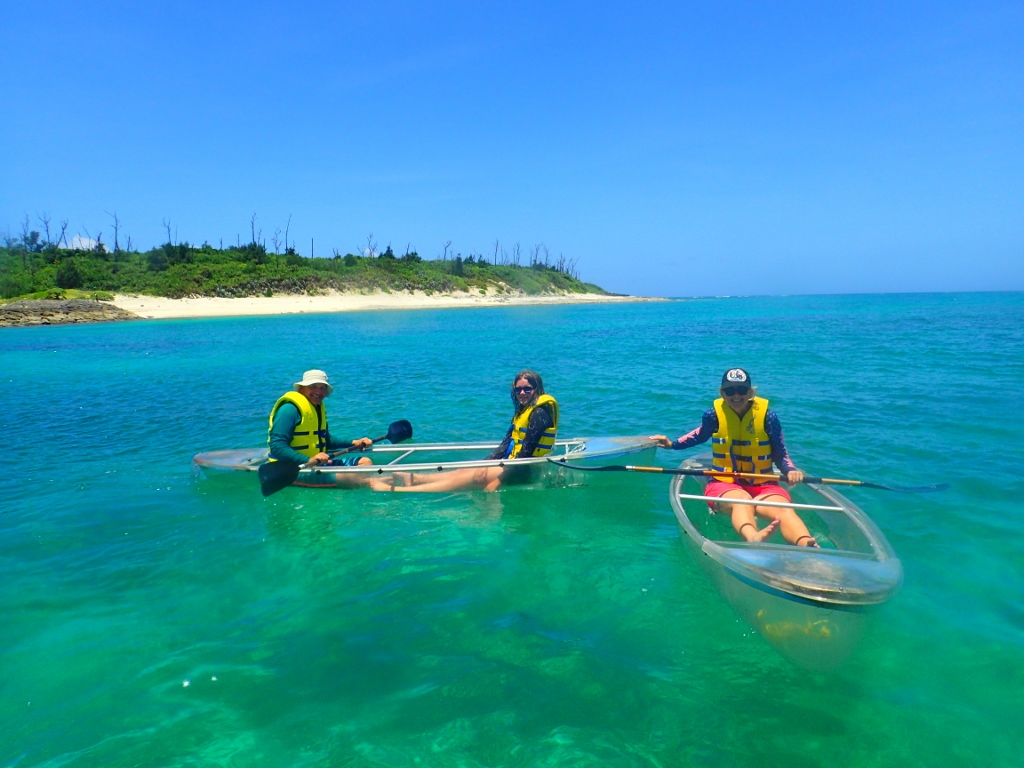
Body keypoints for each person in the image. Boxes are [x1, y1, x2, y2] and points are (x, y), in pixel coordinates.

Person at [650, 368, 819, 547]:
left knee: (784, 510)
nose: (736, 395)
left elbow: (780, 451)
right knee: (741, 501)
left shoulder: (768, 417)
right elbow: (700, 435)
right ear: (722, 393)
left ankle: (807, 544)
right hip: (725, 483)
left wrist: (790, 470)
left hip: (763, 484)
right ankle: (753, 537)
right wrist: (672, 444)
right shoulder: (713, 415)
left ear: (751, 392)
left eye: (742, 390)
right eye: (730, 391)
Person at [371, 369, 558, 492]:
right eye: (518, 390)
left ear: (537, 389)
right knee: (468, 470)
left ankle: (403, 490)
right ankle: (417, 478)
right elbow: (506, 445)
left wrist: (499, 480)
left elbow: (525, 455)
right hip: (513, 464)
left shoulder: (539, 413)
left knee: (469, 477)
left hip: (527, 470)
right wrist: (484, 464)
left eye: (528, 389)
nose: (522, 393)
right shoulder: (523, 411)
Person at [268, 369, 374, 488]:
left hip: (317, 464)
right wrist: (308, 460)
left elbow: (325, 440)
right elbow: (276, 446)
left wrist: (353, 442)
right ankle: (382, 483)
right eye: (313, 386)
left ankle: (373, 483)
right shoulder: (289, 410)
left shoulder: (317, 409)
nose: (318, 391)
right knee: (354, 478)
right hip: (293, 468)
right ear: (302, 388)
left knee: (365, 462)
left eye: (322, 388)